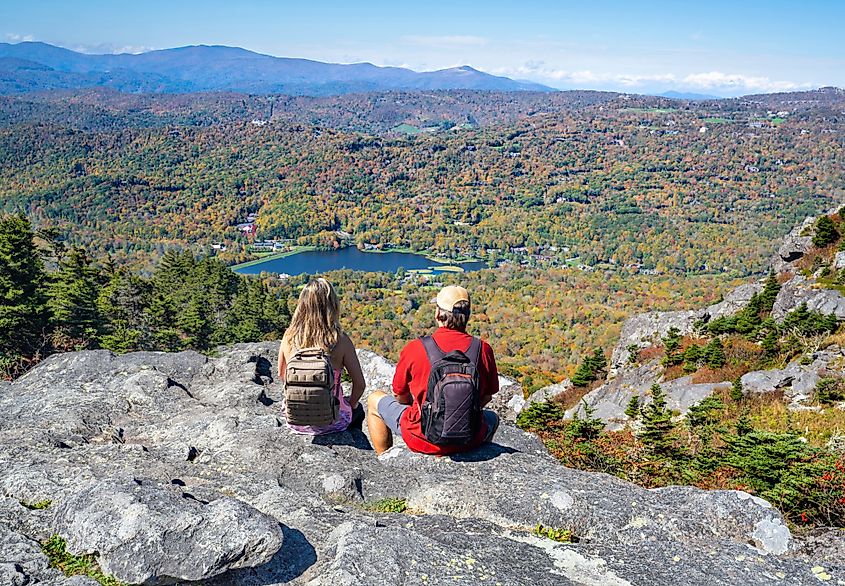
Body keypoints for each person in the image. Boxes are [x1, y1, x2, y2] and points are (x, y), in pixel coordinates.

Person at [367, 285, 499, 455]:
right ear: (467, 316)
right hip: (469, 438)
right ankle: (474, 453)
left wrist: (419, 410)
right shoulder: (483, 349)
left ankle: (384, 457)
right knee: (493, 418)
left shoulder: (416, 348)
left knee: (373, 400)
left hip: (422, 438)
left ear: (438, 314)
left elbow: (400, 394)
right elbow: (487, 396)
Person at [278, 277, 366, 434]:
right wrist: (349, 404)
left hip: (295, 420)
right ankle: (355, 438)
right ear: (332, 305)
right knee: (359, 411)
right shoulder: (340, 340)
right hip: (333, 421)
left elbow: (281, 375)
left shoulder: (289, 336)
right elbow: (359, 384)